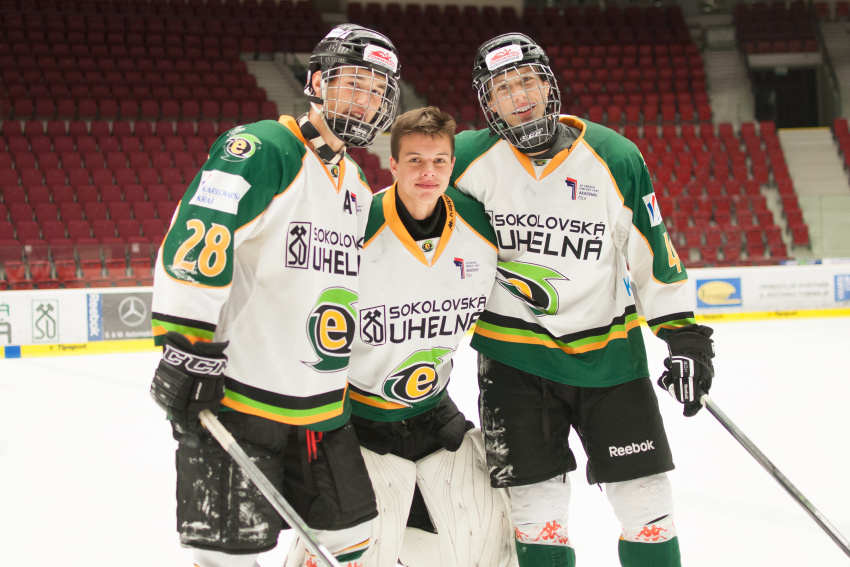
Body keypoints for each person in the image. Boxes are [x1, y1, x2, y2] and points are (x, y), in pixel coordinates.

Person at [449, 33, 716, 567]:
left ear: (548, 86)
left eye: (527, 81)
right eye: (503, 89)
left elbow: (651, 253)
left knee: (647, 507)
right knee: (537, 515)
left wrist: (684, 336)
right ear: (488, 103)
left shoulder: (614, 157)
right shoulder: (464, 159)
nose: (519, 96)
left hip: (608, 358)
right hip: (513, 362)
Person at [148, 24, 401, 567]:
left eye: (378, 91)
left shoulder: (357, 184)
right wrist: (185, 344)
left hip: (321, 405)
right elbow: (200, 236)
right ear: (317, 82)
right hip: (240, 396)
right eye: (354, 83)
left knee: (351, 538)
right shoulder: (265, 148)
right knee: (227, 556)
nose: (366, 100)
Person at [285, 107, 513, 567]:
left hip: (434, 414)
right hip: (358, 420)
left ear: (452, 164)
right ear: (392, 164)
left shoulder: (482, 226)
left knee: (493, 541)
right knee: (345, 550)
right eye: (415, 160)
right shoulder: (355, 227)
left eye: (439, 161)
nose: (428, 172)